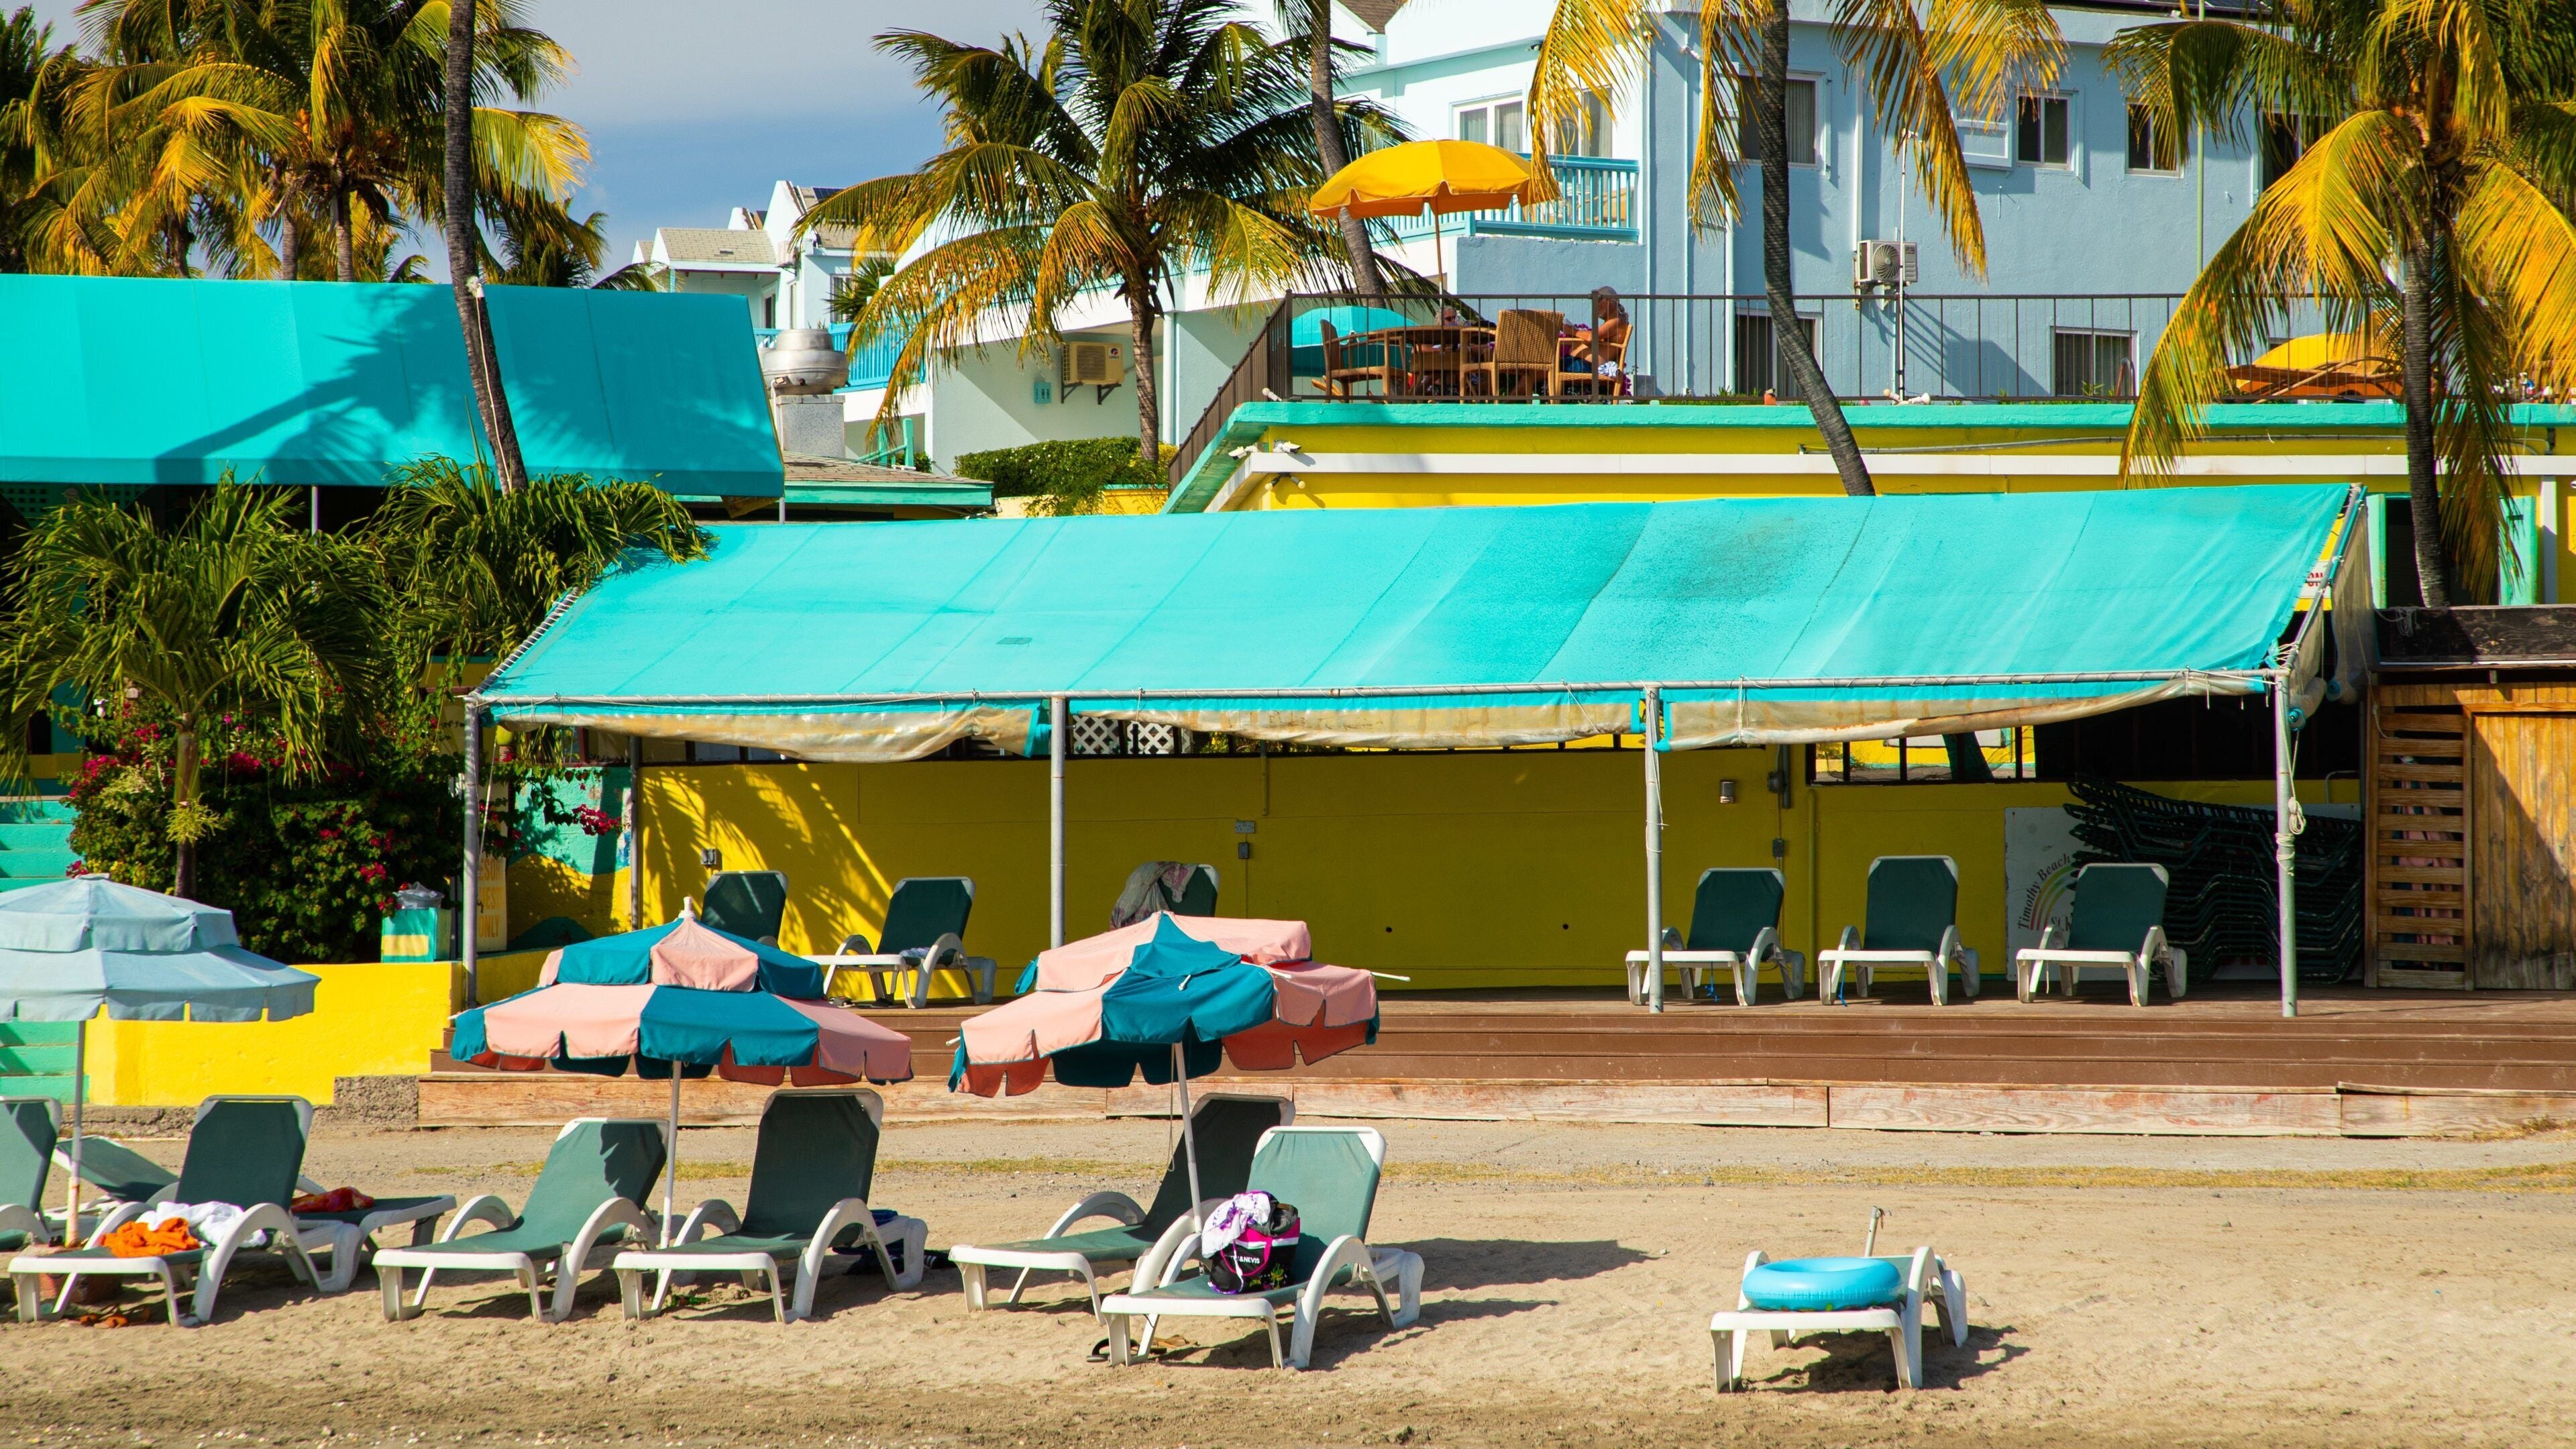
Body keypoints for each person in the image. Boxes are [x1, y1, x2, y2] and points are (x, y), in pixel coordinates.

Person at [1562, 287, 1632, 378]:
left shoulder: (1616, 321)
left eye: (1598, 300)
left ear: (1609, 301)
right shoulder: (1614, 321)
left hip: (1589, 366)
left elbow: (1592, 337)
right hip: (1585, 364)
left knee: (1545, 370)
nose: (1595, 306)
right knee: (1546, 369)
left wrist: (1572, 330)